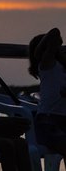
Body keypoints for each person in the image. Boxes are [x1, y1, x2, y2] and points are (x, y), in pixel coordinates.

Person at [28, 27, 66, 157]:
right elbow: (55, 32)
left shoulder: (60, 68)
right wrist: (40, 51)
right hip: (48, 122)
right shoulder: (47, 65)